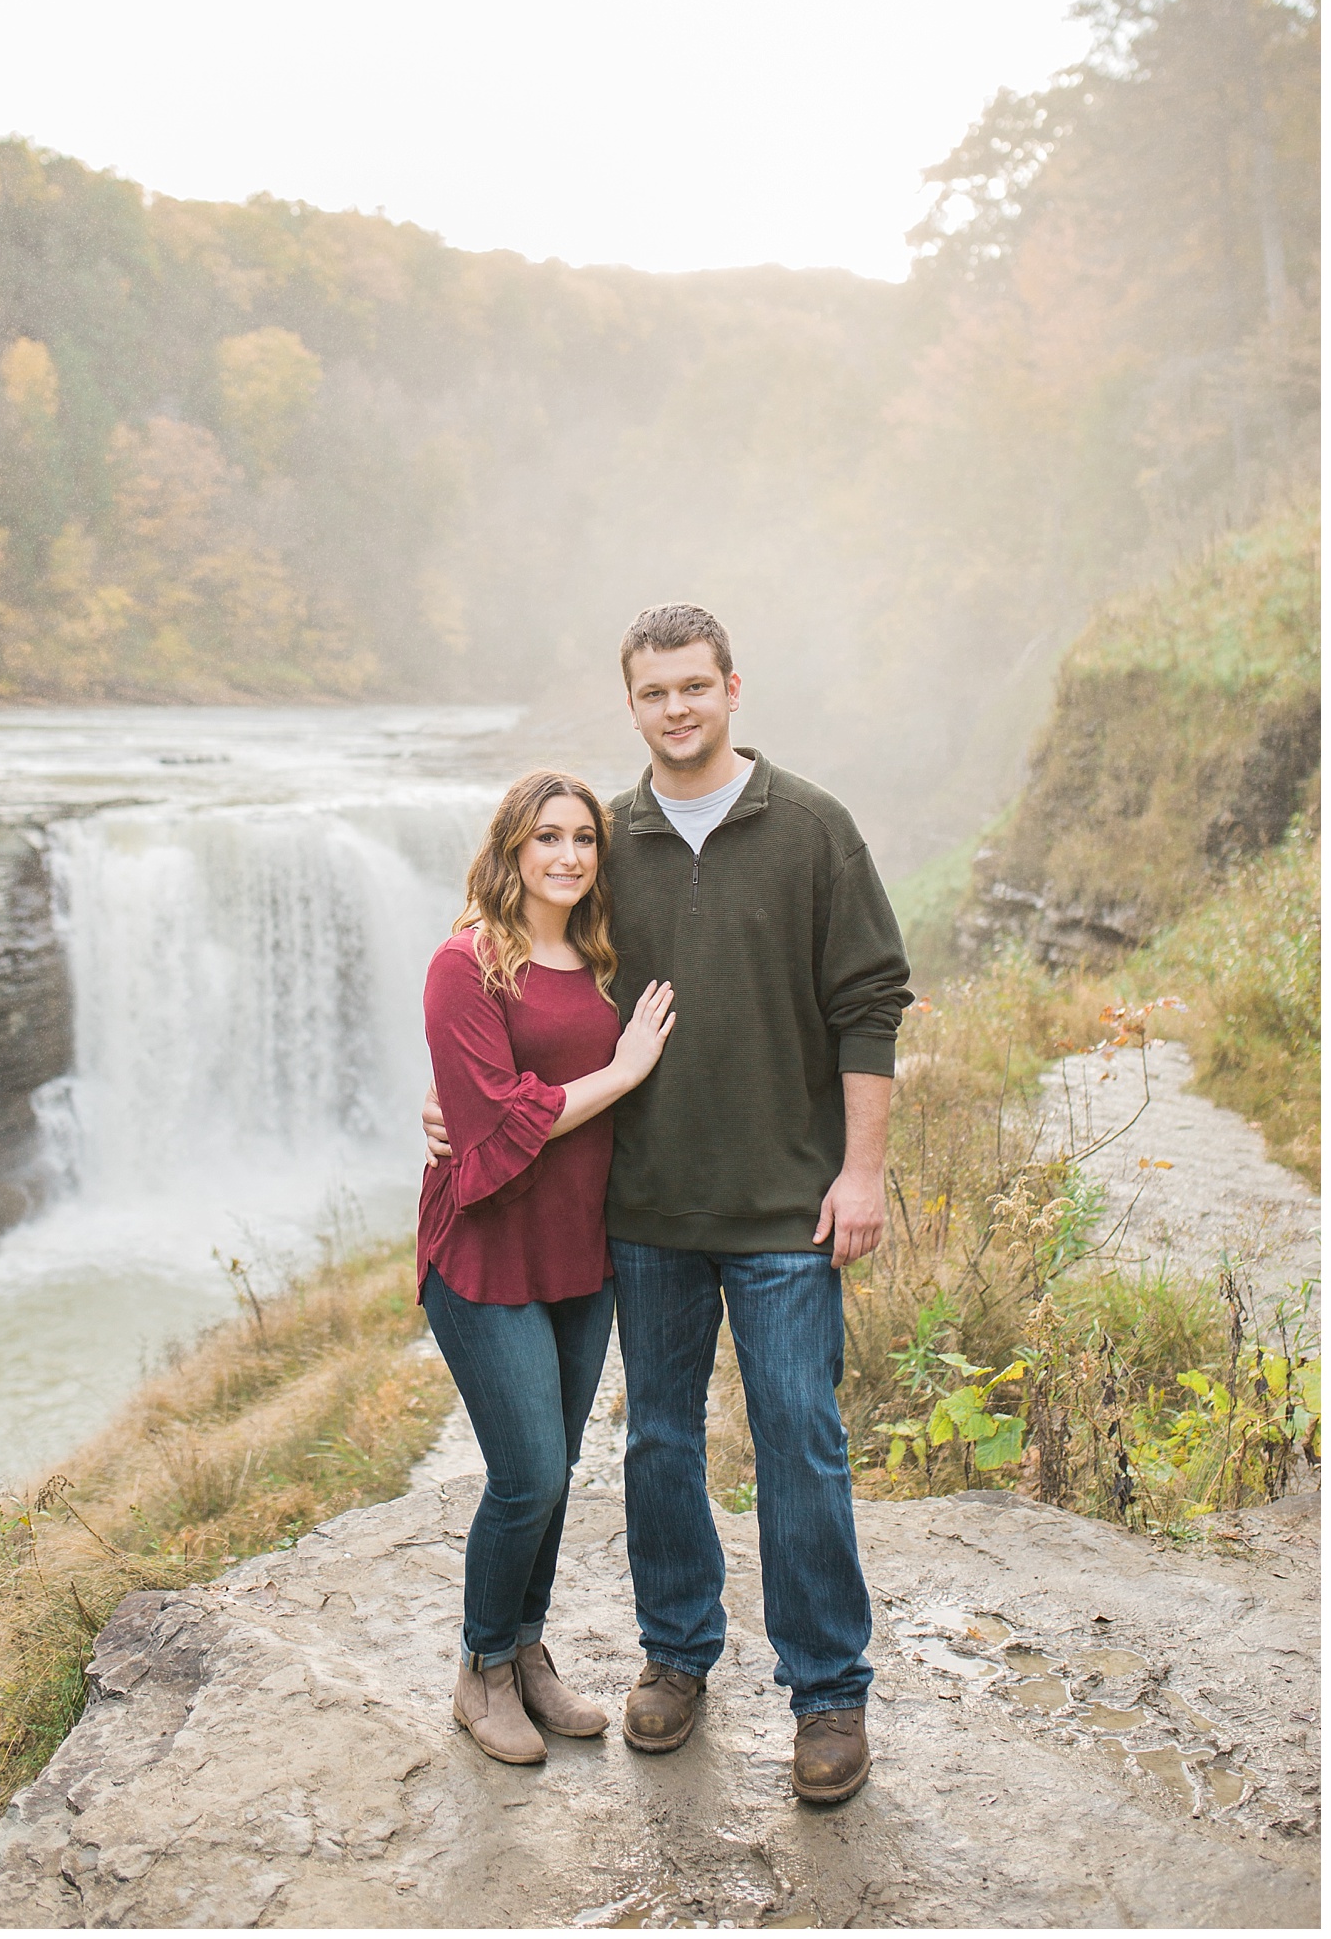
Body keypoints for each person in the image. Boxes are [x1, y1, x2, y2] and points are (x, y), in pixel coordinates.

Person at [426, 606, 911, 1804]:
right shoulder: (606, 842)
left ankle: (828, 1694)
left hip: (787, 1210)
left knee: (801, 1439)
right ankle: (676, 1656)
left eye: (697, 686)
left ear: (733, 689)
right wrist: (450, 1105)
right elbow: (511, 978)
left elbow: (870, 1001)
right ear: (631, 702)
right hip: (639, 1214)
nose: (678, 707)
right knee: (658, 1443)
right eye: (655, 692)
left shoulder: (810, 828)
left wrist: (861, 1171)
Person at [418, 769, 675, 1767]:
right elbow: (488, 1114)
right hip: (485, 1251)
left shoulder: (603, 962)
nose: (567, 854)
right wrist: (620, 1071)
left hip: (579, 1250)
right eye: (546, 837)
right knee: (524, 1472)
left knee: (556, 1471)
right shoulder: (467, 961)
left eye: (583, 838)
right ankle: (479, 1667)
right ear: (511, 850)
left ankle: (526, 1651)